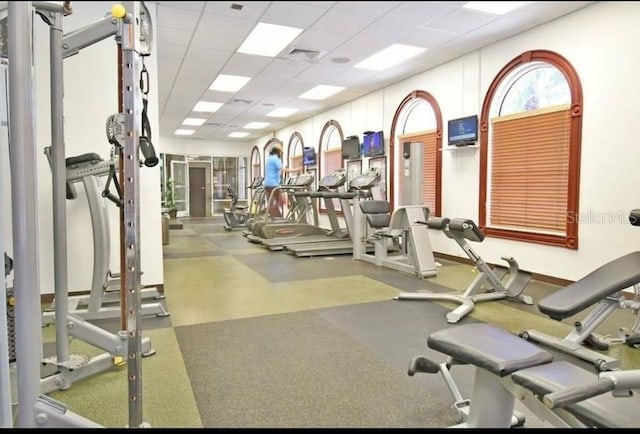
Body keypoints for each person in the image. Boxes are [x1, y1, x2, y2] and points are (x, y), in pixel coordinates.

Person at [263, 146, 293, 218]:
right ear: (278, 152)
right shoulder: (276, 159)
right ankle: (266, 211)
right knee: (281, 202)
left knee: (272, 203)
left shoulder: (269, 159)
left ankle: (275, 218)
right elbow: (283, 170)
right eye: (281, 152)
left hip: (266, 184)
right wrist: (297, 169)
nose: (281, 154)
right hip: (273, 184)